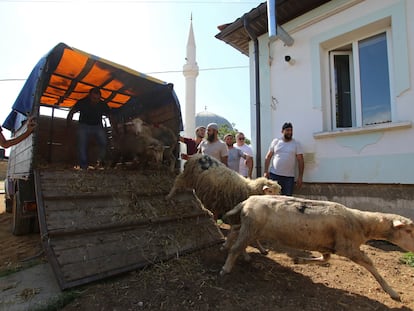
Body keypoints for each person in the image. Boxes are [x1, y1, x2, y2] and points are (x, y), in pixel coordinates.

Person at [66, 87, 112, 170]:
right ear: (89, 96)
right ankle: (83, 166)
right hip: (83, 125)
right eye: (94, 98)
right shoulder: (82, 102)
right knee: (82, 144)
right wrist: (69, 125)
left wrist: (113, 127)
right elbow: (72, 112)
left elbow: (110, 116)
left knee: (104, 142)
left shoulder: (103, 104)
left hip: (97, 126)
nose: (96, 100)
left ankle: (99, 162)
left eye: (98, 99)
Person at [263, 122, 304, 195]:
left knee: (287, 200)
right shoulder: (276, 141)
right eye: (287, 130)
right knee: (273, 198)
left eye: (291, 130)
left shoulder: (296, 143)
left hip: (288, 178)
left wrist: (300, 177)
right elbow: (268, 157)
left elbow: (300, 160)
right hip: (274, 176)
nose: (289, 132)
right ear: (282, 131)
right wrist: (266, 171)